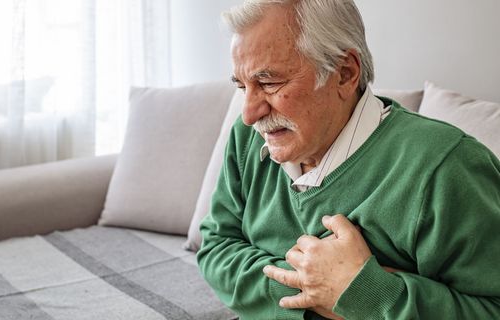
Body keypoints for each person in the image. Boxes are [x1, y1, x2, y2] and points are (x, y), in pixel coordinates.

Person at [196, 0, 500, 319]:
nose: (249, 113)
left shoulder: (446, 167)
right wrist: (315, 288)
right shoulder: (249, 137)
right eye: (243, 86)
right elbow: (216, 247)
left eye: (269, 83)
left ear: (345, 73)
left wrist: (365, 292)